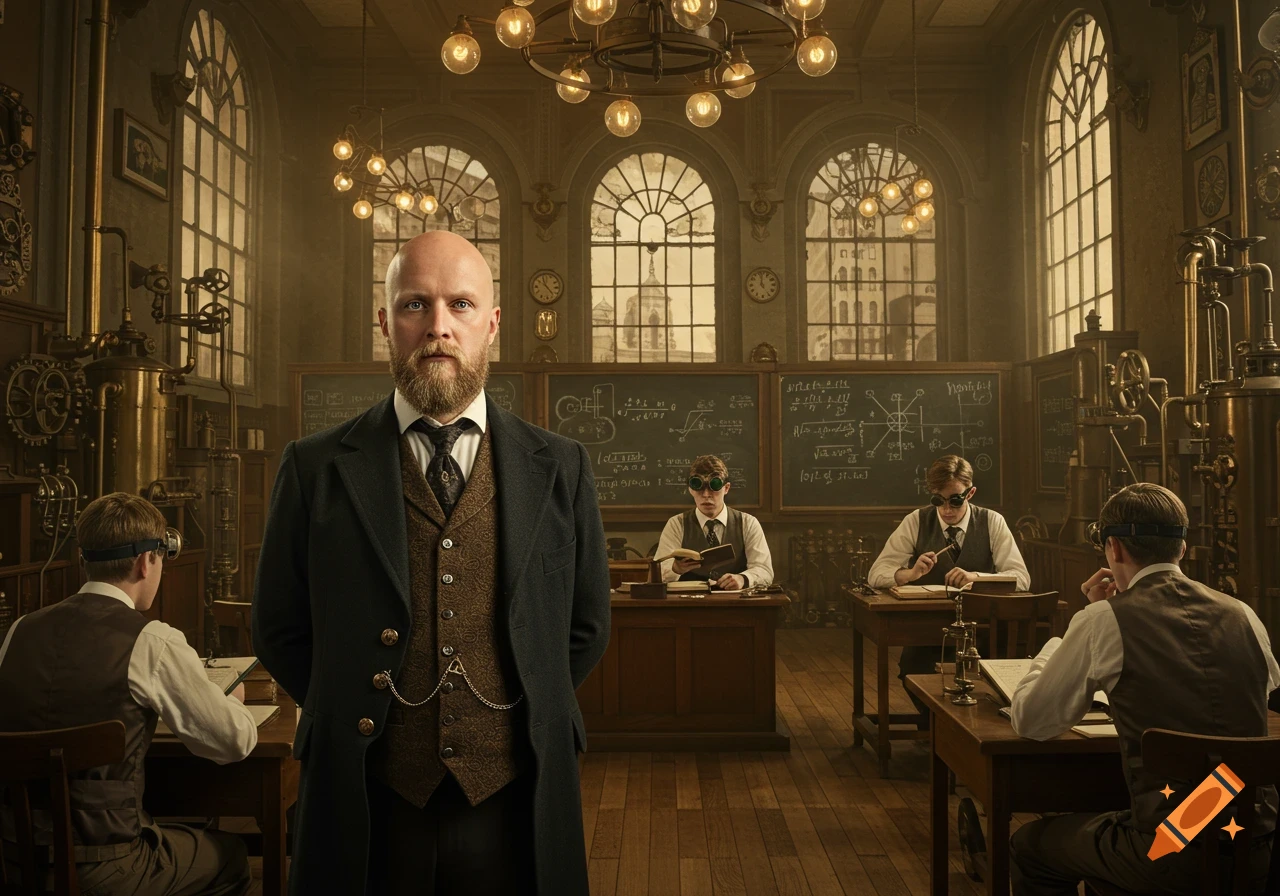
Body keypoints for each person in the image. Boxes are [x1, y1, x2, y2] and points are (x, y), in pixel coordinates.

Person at [253, 230, 611, 896]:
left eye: (461, 305)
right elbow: (278, 626)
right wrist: (349, 710)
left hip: (516, 795)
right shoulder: (314, 468)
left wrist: (523, 711)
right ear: (385, 321)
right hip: (369, 800)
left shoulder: (561, 467)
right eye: (416, 305)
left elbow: (586, 625)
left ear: (492, 324)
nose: (438, 327)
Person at [1008, 483, 1279, 895]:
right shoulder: (1243, 614)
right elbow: (1261, 688)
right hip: (1258, 845)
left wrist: (1070, 632)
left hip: (1171, 847)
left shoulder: (1104, 618)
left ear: (1113, 549)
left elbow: (1031, 721)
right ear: (1182, 549)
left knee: (1030, 846)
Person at [0, 492, 258, 895]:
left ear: (86, 560)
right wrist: (232, 703)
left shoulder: (18, 631)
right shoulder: (152, 641)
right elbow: (233, 742)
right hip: (105, 868)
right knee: (230, 856)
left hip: (14, 863)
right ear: (146, 561)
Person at [866, 454, 1029, 726]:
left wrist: (975, 577)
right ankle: (937, 730)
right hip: (929, 632)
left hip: (983, 632)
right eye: (938, 501)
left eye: (955, 500)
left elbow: (1021, 579)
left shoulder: (992, 522)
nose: (946, 510)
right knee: (912, 671)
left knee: (993, 679)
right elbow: (876, 575)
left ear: (971, 492)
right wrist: (910, 573)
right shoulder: (916, 521)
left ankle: (964, 734)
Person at [653, 454, 773, 590]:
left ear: (726, 488)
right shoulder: (676, 524)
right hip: (689, 605)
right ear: (691, 489)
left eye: (714, 486)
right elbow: (658, 572)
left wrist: (743, 578)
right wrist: (675, 569)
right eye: (698, 486)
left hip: (736, 605)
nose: (706, 495)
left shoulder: (748, 523)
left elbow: (764, 569)